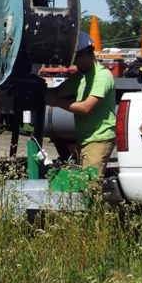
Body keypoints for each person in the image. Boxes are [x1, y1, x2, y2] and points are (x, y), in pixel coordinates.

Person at [45, 31, 116, 176]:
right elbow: (57, 92)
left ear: (84, 55)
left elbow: (86, 108)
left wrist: (57, 103)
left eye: (75, 59)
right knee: (83, 183)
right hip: (86, 139)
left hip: (98, 140)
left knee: (90, 184)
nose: (74, 64)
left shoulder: (102, 77)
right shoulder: (80, 77)